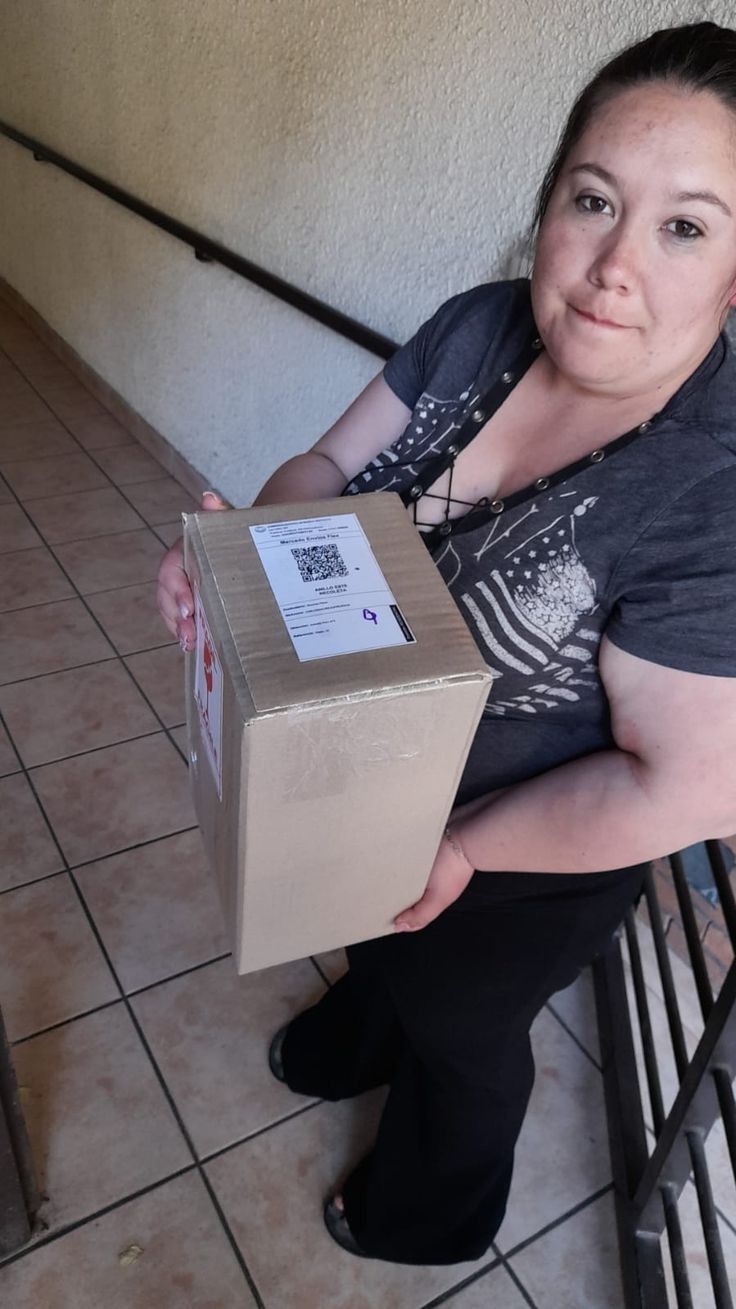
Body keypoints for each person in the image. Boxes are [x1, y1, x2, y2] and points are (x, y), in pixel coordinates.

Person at [157, 21, 736, 1266]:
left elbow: (684, 782)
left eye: (686, 225)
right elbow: (324, 466)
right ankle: (363, 1018)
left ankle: (434, 1207)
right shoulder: (481, 325)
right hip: (367, 771)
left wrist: (463, 846)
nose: (611, 265)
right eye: (593, 199)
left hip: (522, 861)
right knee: (380, 947)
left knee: (460, 1032)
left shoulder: (711, 491)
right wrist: (239, 570)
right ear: (550, 201)